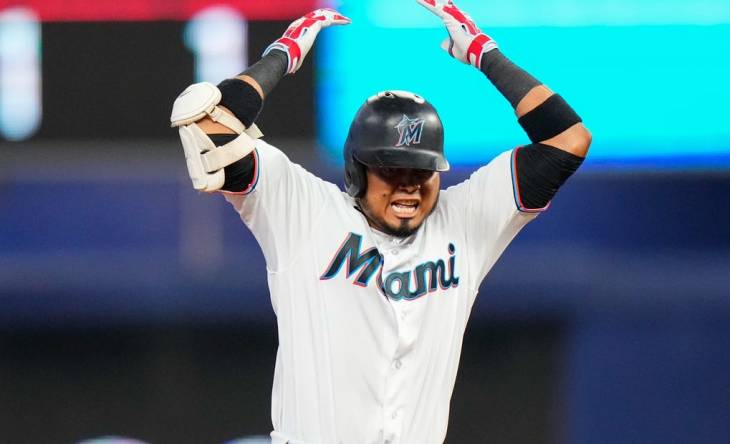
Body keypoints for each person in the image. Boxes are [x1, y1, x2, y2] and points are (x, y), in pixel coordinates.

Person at [170, 1, 591, 443]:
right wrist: (283, 54)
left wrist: (486, 54)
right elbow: (209, 128)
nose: (408, 186)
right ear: (358, 170)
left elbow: (568, 140)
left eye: (421, 171)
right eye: (391, 170)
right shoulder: (304, 211)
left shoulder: (465, 221)